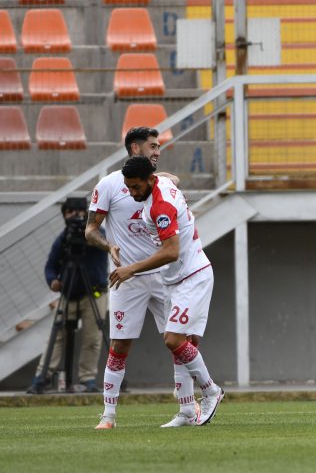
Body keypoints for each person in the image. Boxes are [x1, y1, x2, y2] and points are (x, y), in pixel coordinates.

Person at [109, 155, 224, 428]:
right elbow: (173, 179)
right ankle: (186, 411)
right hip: (174, 279)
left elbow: (171, 252)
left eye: (136, 187)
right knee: (182, 344)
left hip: (191, 276)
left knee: (173, 340)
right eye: (128, 187)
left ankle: (210, 391)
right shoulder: (160, 182)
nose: (132, 193)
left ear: (149, 180)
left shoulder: (159, 207)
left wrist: (131, 269)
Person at [87, 127, 184, 430]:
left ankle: (188, 405)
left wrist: (171, 181)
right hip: (126, 277)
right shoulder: (109, 185)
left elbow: (174, 182)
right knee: (119, 346)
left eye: (158, 147)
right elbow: (90, 230)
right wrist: (109, 245)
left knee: (181, 340)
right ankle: (108, 415)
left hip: (164, 274)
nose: (157, 151)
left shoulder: (159, 182)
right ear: (134, 147)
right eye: (153, 147)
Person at [28, 198, 108, 394]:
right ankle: (43, 376)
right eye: (70, 211)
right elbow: (50, 265)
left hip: (95, 293)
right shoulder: (63, 238)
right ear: (64, 215)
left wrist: (88, 231)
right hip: (68, 293)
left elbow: (102, 244)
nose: (75, 215)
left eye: (80, 211)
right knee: (56, 336)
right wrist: (52, 280)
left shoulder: (98, 234)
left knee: (92, 337)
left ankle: (88, 379)